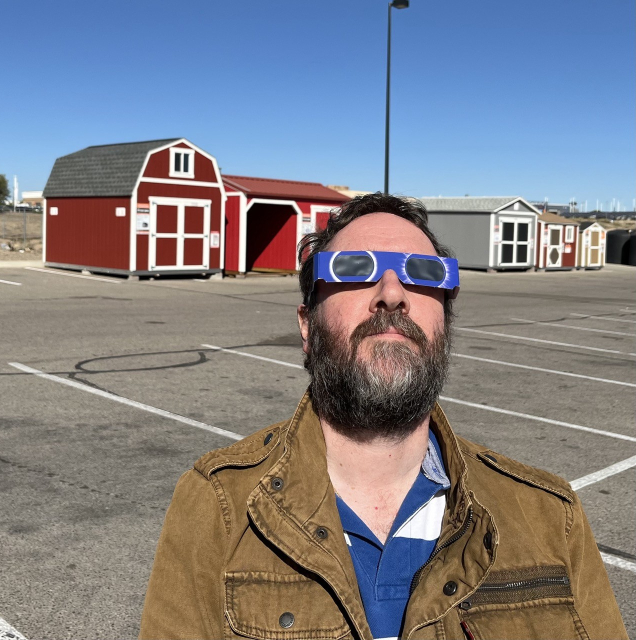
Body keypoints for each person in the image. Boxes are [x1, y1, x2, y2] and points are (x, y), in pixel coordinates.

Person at [140, 193, 627, 640]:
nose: (392, 292)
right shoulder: (219, 506)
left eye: (422, 272)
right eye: (354, 269)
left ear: (445, 323)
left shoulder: (551, 517)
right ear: (308, 326)